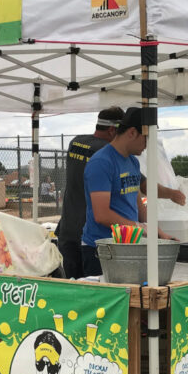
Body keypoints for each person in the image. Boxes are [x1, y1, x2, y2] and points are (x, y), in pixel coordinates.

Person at [80, 107, 185, 278]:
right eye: (146, 138)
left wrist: (158, 233)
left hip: (127, 247)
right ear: (132, 132)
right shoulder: (101, 162)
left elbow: (136, 203)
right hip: (101, 250)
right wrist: (139, 228)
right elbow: (102, 215)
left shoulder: (132, 162)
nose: (147, 145)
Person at [55, 106, 122, 278]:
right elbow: (140, 183)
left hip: (68, 229)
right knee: (94, 292)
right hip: (91, 235)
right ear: (112, 129)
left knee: (72, 287)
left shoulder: (75, 142)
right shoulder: (107, 153)